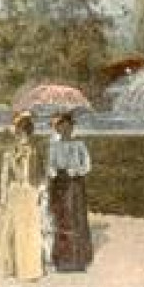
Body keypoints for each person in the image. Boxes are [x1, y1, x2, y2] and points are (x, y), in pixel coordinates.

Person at [0, 112, 45, 280]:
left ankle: (29, 268)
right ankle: (10, 266)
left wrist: (42, 189)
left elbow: (41, 173)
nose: (24, 137)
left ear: (30, 134)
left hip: (30, 190)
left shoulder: (35, 151)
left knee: (29, 229)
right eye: (20, 133)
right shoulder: (9, 153)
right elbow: (4, 175)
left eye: (27, 133)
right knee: (11, 228)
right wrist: (2, 195)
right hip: (15, 191)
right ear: (16, 133)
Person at [43, 111, 93, 272]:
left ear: (72, 128)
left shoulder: (79, 145)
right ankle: (62, 258)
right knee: (61, 217)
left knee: (75, 217)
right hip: (59, 184)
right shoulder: (54, 146)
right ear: (57, 129)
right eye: (61, 127)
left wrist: (76, 170)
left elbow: (87, 165)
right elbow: (50, 164)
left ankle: (77, 258)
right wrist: (52, 171)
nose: (65, 130)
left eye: (68, 127)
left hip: (75, 184)